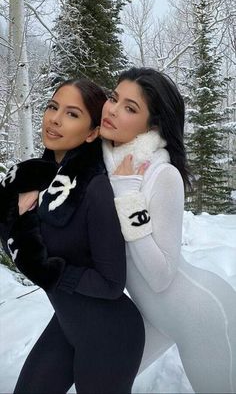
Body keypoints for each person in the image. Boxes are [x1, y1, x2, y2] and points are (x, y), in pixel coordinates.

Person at [0, 78, 145, 394]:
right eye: (53, 107)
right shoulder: (30, 179)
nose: (54, 118)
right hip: (69, 326)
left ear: (93, 132)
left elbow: (111, 284)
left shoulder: (95, 190)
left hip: (111, 336)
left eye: (72, 114)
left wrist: (51, 273)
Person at [99, 67, 236, 394]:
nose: (114, 110)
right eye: (114, 98)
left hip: (202, 317)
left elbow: (161, 276)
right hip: (155, 317)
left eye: (130, 108)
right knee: (104, 383)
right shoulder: (113, 164)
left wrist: (128, 196)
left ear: (154, 124)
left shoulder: (161, 175)